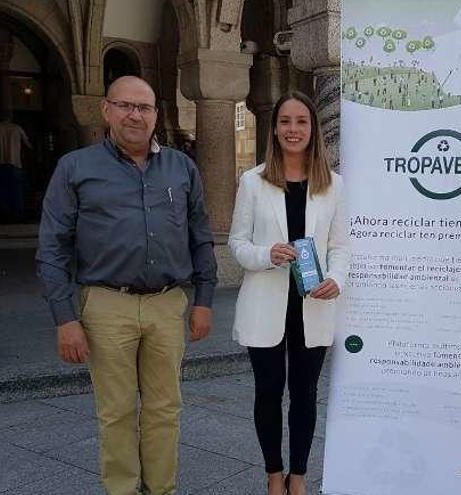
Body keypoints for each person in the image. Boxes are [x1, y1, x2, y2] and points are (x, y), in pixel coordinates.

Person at [36, 75, 217, 495]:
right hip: (104, 305)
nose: (135, 115)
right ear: (106, 111)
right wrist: (65, 319)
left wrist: (204, 299)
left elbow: (201, 236)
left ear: (157, 115)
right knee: (115, 412)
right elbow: (52, 248)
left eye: (145, 107)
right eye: (125, 106)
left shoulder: (181, 168)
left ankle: (161, 489)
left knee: (164, 409)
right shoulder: (75, 168)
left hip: (167, 304)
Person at [228, 91, 348, 495]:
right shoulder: (254, 181)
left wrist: (337, 278)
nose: (292, 130)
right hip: (266, 305)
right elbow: (237, 244)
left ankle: (298, 475)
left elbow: (341, 247)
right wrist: (268, 254)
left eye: (301, 122)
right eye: (285, 122)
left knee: (305, 395)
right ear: (274, 128)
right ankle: (273, 474)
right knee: (267, 393)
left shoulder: (333, 186)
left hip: (312, 306)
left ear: (313, 130)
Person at [0, 112, 31, 222]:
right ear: (10, 118)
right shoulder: (17, 128)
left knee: (1, 190)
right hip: (15, 163)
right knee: (16, 191)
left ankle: (2, 215)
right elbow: (28, 144)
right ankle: (17, 215)